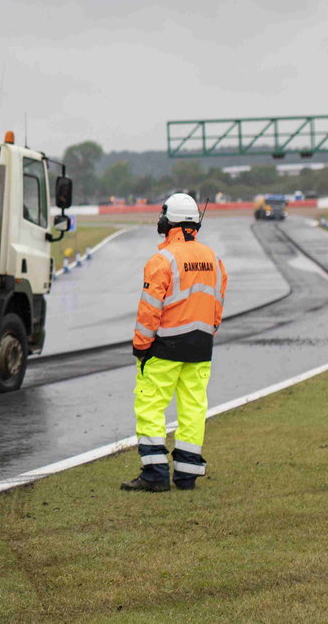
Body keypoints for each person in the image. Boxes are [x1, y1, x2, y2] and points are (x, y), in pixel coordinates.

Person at [122, 192, 227, 492]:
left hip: (164, 348)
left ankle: (155, 474)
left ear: (172, 223)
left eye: (163, 216)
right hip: (201, 347)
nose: (160, 220)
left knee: (150, 406)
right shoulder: (214, 259)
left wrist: (141, 345)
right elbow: (217, 304)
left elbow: (149, 309)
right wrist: (206, 334)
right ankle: (187, 474)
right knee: (194, 408)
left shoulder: (162, 260)